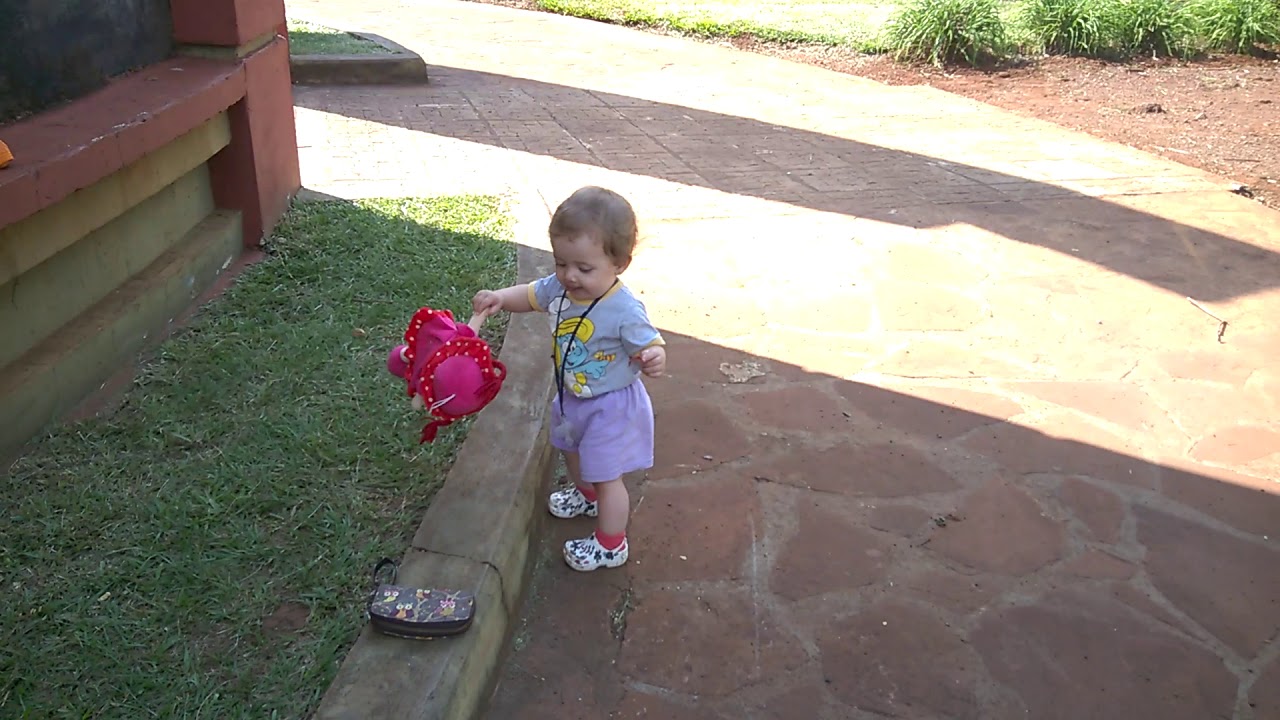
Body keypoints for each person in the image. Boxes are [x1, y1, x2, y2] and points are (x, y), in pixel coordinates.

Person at [473, 186, 666, 571]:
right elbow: (531, 295)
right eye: (561, 263)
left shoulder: (624, 309)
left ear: (620, 263)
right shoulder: (560, 288)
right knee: (572, 452)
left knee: (607, 476)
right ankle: (586, 497)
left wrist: (653, 357)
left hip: (611, 406)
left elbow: (650, 342)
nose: (570, 276)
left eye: (584, 268)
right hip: (572, 397)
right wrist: (500, 298)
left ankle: (612, 544)